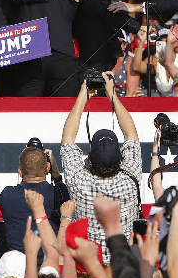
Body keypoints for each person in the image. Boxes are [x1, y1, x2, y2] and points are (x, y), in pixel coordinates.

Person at [59, 71, 140, 257]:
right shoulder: (131, 178)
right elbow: (131, 135)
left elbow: (67, 139)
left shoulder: (79, 181)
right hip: (123, 263)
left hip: (88, 265)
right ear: (121, 159)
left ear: (89, 159)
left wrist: (83, 95)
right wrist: (112, 95)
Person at [0, 144, 69, 252]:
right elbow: (65, 198)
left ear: (20, 172)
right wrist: (56, 176)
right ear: (48, 168)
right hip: (50, 264)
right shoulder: (58, 193)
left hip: (19, 265)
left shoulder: (7, 195)